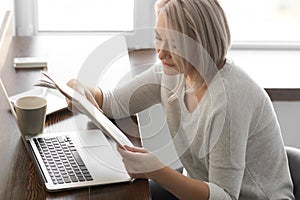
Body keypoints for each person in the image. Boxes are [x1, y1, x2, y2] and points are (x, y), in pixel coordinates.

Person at [67, 0, 295, 199]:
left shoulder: (230, 100)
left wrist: (157, 170)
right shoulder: (174, 72)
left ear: (202, 42)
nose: (161, 52)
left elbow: (224, 197)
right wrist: (83, 91)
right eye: (158, 38)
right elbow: (114, 102)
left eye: (174, 44)